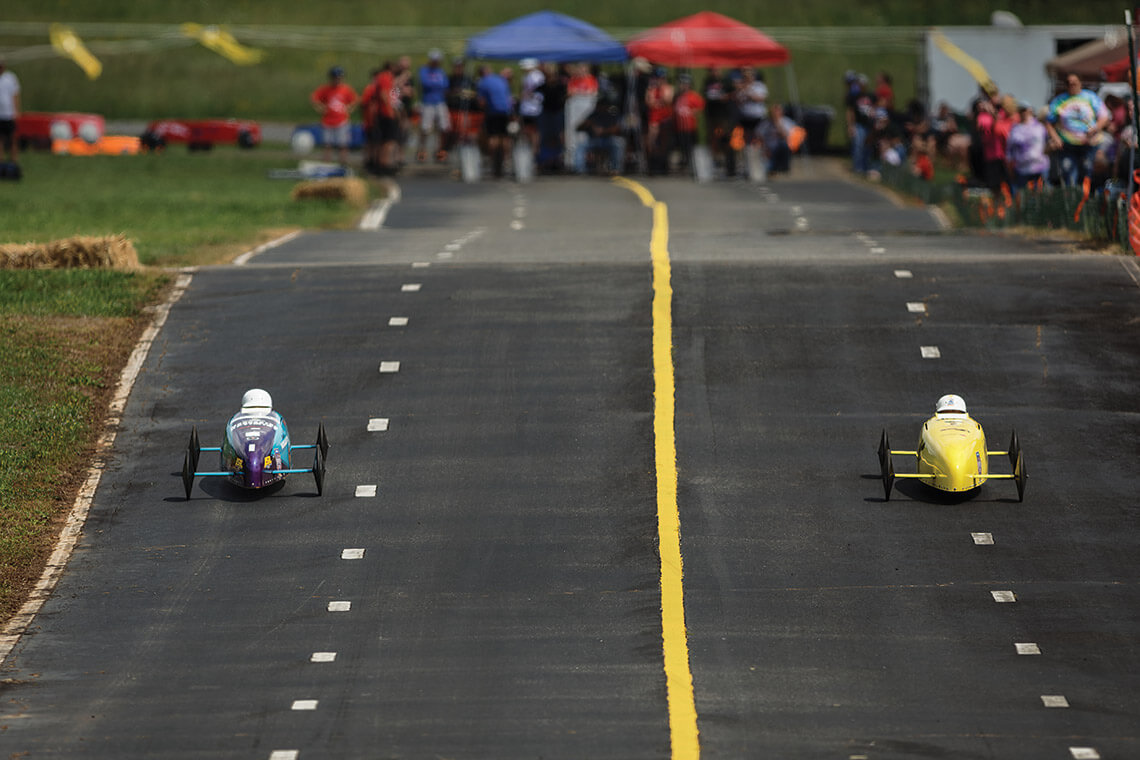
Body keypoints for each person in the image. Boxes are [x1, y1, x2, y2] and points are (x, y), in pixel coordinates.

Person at [1045, 72, 1110, 187]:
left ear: (1080, 83)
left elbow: (1104, 116)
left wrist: (1095, 129)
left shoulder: (1090, 97)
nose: (1072, 85)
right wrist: (1055, 138)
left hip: (1088, 144)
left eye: (1074, 83)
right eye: (1069, 83)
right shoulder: (1060, 100)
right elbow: (1049, 122)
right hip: (1067, 145)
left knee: (1087, 173)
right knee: (1068, 172)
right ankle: (1072, 200)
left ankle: (1086, 200)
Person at [310, 66, 358, 164]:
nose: (337, 79)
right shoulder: (325, 89)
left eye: (339, 77)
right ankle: (327, 164)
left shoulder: (346, 89)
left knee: (343, 144)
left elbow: (355, 100)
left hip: (341, 120)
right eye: (335, 77)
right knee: (327, 145)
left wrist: (349, 108)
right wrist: (320, 108)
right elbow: (314, 98)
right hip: (327, 121)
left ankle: (343, 164)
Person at [573, 85, 623, 175]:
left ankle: (615, 169)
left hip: (607, 140)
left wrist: (603, 131)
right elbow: (577, 128)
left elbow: (617, 129)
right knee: (580, 146)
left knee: (617, 145)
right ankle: (580, 170)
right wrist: (589, 124)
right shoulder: (593, 115)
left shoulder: (611, 115)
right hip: (593, 140)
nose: (601, 107)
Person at [476, 65, 513, 177]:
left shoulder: (482, 82)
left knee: (493, 137)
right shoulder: (501, 79)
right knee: (505, 136)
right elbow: (508, 97)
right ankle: (506, 160)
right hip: (506, 111)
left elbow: (481, 102)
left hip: (493, 112)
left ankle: (493, 162)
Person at [1006, 101, 1049, 193]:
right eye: (1021, 110)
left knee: (1040, 197)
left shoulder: (1040, 127)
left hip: (1039, 168)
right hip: (1021, 170)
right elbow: (1009, 151)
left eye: (1026, 110)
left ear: (1031, 111)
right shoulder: (1015, 129)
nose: (1024, 113)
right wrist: (1009, 168)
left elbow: (1048, 144)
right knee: (1023, 198)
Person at [417, 49, 450, 162]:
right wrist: (436, 85)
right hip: (428, 102)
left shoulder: (440, 71)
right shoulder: (424, 70)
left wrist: (435, 86)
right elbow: (425, 84)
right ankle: (422, 152)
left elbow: (445, 85)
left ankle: (440, 153)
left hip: (440, 101)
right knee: (425, 128)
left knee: (443, 128)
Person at [672, 73, 704, 169]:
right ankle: (684, 162)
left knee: (690, 146)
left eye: (684, 84)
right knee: (681, 146)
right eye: (681, 84)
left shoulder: (693, 96)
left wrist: (691, 112)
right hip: (679, 126)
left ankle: (691, 164)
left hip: (690, 126)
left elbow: (699, 108)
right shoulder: (678, 96)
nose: (682, 86)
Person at [758, 102, 796, 174]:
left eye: (777, 110)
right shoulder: (765, 123)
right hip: (767, 150)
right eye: (773, 111)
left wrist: (777, 123)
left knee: (784, 145)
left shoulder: (786, 122)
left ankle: (784, 168)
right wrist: (764, 149)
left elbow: (785, 136)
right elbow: (759, 137)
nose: (775, 113)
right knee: (767, 169)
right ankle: (772, 168)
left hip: (779, 149)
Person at [517, 57, 545, 153]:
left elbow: (540, 94)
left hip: (535, 109)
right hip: (526, 108)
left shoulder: (538, 76)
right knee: (526, 130)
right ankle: (529, 151)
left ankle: (535, 151)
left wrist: (529, 95)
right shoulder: (525, 76)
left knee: (534, 132)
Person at [0, 58, 20, 167]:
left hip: (8, 114)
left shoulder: (10, 78)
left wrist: (16, 110)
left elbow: (15, 94)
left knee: (13, 138)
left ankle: (14, 161)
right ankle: (1, 161)